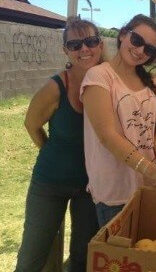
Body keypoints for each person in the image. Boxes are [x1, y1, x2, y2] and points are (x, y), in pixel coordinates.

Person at [81, 14, 156, 227]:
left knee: (147, 253)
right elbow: (107, 136)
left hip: (149, 187)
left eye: (149, 49)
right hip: (115, 191)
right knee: (121, 258)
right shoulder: (98, 76)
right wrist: (151, 169)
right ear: (123, 35)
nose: (140, 51)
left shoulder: (155, 83)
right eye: (137, 41)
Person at [15, 18, 101, 272]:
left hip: (90, 186)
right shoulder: (55, 88)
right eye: (75, 44)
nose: (84, 49)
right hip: (50, 183)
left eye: (90, 41)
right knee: (34, 253)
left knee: (83, 256)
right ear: (66, 50)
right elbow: (31, 124)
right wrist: (51, 152)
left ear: (100, 44)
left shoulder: (107, 82)